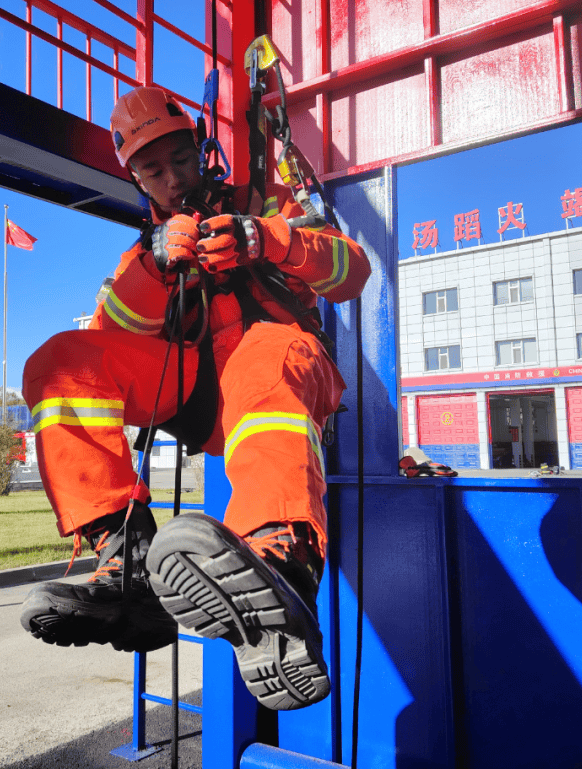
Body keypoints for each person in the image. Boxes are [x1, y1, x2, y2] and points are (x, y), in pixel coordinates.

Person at [19, 84, 371, 711]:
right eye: (153, 169)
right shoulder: (142, 254)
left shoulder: (267, 204)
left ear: (202, 151)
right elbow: (107, 352)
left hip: (280, 378)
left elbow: (352, 271)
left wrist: (267, 239)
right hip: (193, 397)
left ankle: (279, 558)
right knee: (57, 363)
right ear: (137, 180)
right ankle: (125, 564)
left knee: (264, 349)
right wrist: (155, 270)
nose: (173, 178)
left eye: (180, 159)